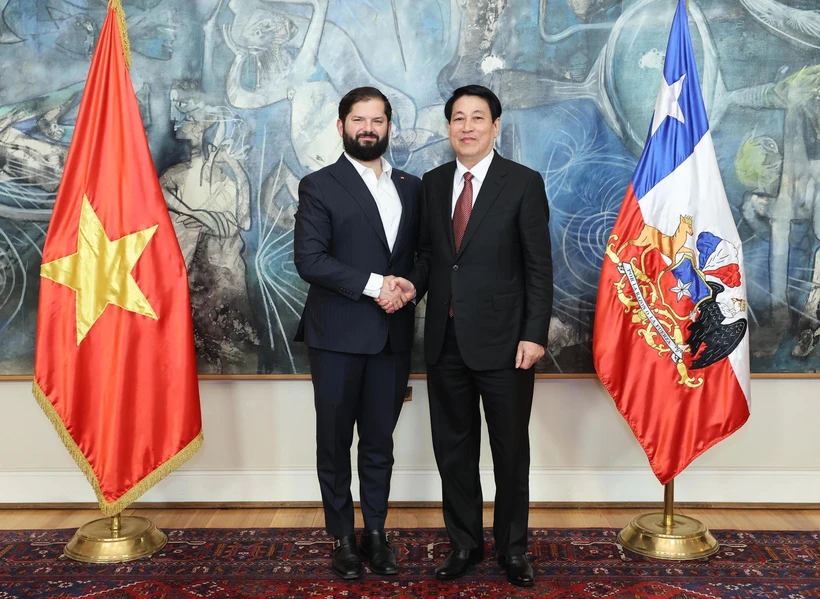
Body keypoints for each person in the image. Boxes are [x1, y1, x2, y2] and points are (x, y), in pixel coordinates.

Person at [383, 85, 553, 587]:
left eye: (478, 118)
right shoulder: (432, 184)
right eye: (458, 118)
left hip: (507, 343)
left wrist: (534, 334)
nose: (467, 127)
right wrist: (409, 285)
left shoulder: (522, 183)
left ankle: (513, 549)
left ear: (496, 126)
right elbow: (431, 258)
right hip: (445, 340)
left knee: (509, 450)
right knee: (453, 450)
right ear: (449, 127)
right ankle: (464, 544)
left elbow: (538, 268)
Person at [293, 87, 422, 580]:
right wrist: (376, 286)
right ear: (341, 125)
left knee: (378, 443)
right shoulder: (319, 185)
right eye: (358, 120)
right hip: (337, 335)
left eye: (377, 120)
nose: (367, 128)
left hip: (392, 334)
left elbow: (420, 257)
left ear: (389, 126)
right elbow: (310, 260)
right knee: (334, 442)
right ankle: (342, 539)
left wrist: (406, 287)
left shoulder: (411, 186)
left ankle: (376, 535)